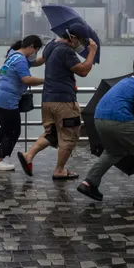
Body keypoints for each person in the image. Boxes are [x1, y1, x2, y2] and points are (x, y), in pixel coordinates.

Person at [77, 54, 134, 209]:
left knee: (113, 151)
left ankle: (89, 183)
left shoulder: (125, 81)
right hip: (120, 120)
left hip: (99, 118)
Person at [17, 23, 97, 179]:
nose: (80, 45)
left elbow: (44, 62)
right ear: (73, 38)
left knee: (52, 133)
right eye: (80, 41)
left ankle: (28, 155)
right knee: (70, 135)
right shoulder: (66, 51)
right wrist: (92, 52)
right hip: (63, 101)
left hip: (47, 99)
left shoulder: (51, 45)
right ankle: (60, 170)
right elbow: (83, 71)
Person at [0, 35, 45, 171]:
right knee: (13, 131)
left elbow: (36, 62)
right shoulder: (20, 61)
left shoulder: (14, 55)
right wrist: (46, 81)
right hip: (6, 100)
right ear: (31, 47)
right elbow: (27, 80)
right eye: (36, 50)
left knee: (7, 129)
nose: (36, 54)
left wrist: (48, 55)